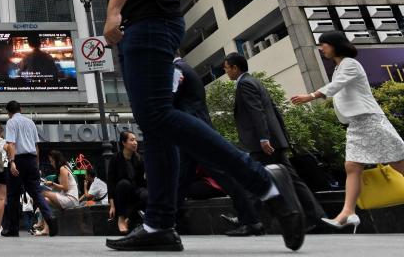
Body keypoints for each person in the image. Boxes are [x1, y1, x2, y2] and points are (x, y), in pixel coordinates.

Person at [91, 0, 306, 252]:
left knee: (156, 115)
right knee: (155, 131)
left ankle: (264, 180)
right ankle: (159, 225)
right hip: (149, 24)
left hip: (150, 22)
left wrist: (112, 13)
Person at [290, 31, 404, 232]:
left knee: (398, 162)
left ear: (335, 45)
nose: (321, 48)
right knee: (352, 166)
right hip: (356, 123)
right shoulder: (339, 67)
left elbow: (337, 85)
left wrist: (312, 95)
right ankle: (347, 213)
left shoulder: (350, 64)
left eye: (324, 44)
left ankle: (347, 213)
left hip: (369, 120)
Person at [223, 52, 326, 230]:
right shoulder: (254, 81)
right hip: (273, 140)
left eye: (226, 69)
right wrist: (280, 137)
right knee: (292, 180)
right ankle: (317, 217)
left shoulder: (245, 84)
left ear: (235, 67)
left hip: (263, 143)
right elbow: (273, 111)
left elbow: (257, 112)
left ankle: (248, 220)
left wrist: (264, 138)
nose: (226, 73)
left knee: (252, 178)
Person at [173, 56, 263, 237]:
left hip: (194, 132)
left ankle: (251, 220)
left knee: (223, 175)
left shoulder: (177, 69)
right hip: (192, 132)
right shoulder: (184, 68)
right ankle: (164, 220)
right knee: (182, 179)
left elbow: (169, 99)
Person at [2, 100, 58, 237]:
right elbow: (36, 145)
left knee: (13, 195)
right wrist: (37, 164)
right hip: (32, 160)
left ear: (9, 112)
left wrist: (12, 162)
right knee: (36, 192)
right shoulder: (30, 122)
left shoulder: (11, 122)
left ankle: (13, 229)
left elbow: (11, 144)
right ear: (20, 109)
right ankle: (50, 217)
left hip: (19, 160)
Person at [106, 131, 147, 234]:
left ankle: (128, 220)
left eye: (136, 140)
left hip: (136, 189)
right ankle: (121, 218)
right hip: (122, 191)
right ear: (124, 143)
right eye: (132, 140)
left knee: (147, 195)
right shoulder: (115, 158)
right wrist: (112, 206)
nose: (135, 143)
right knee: (123, 183)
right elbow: (110, 182)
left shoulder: (139, 158)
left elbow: (142, 182)